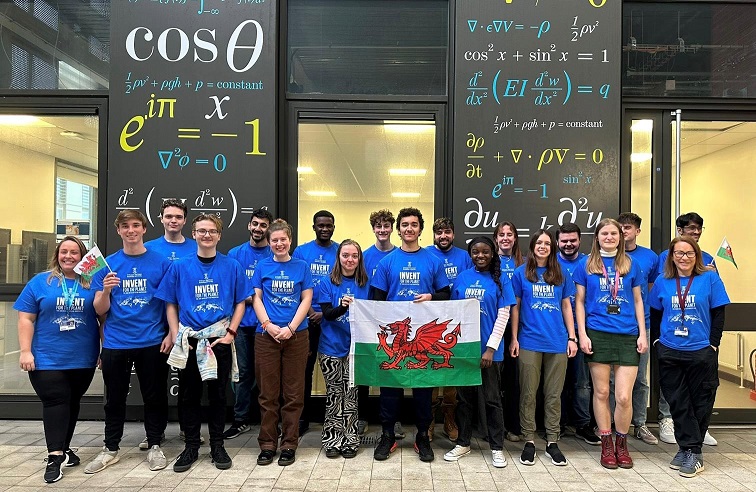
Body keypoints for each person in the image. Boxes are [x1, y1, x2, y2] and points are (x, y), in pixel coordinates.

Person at [157, 213, 249, 472]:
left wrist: (231, 332)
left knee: (219, 395)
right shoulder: (180, 266)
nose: (206, 235)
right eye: (201, 231)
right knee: (188, 396)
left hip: (218, 339)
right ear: (194, 234)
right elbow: (170, 302)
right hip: (190, 340)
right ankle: (191, 446)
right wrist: (175, 333)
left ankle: (217, 445)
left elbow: (241, 301)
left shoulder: (231, 266)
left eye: (211, 231)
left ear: (219, 235)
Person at [86, 210, 172, 474]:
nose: (131, 230)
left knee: (154, 396)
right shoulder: (106, 265)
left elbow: (170, 302)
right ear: (119, 231)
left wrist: (171, 333)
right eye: (126, 226)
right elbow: (99, 310)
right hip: (116, 341)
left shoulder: (161, 262)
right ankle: (111, 448)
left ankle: (155, 444)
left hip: (152, 340)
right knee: (114, 399)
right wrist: (107, 289)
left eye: (136, 225)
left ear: (144, 229)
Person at [14, 236, 100, 483]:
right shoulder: (41, 282)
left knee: (71, 403)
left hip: (82, 357)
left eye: (75, 252)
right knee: (56, 401)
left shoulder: (91, 283)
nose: (69, 256)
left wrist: (104, 350)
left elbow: (102, 319)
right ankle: (54, 457)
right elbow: (25, 319)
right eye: (64, 252)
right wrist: (25, 351)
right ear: (57, 254)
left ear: (82, 256)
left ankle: (64, 448)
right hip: (46, 357)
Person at [371, 207, 450, 463]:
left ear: (420, 229)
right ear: (399, 229)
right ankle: (387, 436)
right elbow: (376, 301)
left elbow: (446, 295)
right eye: (404, 225)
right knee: (390, 389)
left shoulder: (433, 261)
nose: (408, 229)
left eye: (413, 224)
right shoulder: (387, 262)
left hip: (421, 338)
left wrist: (431, 296)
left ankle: (422, 438)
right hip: (396, 338)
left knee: (422, 390)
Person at [648, 236, 729, 478]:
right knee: (677, 402)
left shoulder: (710, 278)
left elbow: (719, 314)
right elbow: (654, 314)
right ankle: (689, 449)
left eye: (689, 253)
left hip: (700, 351)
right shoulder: (663, 281)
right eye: (679, 253)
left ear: (697, 255)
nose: (684, 257)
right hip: (670, 350)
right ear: (672, 256)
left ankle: (691, 451)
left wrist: (713, 345)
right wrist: (656, 343)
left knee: (700, 402)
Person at [573, 218, 647, 470]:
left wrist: (642, 334)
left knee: (624, 396)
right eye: (604, 233)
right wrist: (582, 334)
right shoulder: (586, 265)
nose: (610, 237)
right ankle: (606, 444)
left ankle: (622, 444)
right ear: (597, 237)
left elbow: (638, 301)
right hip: (598, 333)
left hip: (627, 334)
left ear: (621, 236)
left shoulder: (630, 264)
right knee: (602, 392)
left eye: (614, 233)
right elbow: (579, 302)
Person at [443, 236, 514, 468]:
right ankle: (463, 443)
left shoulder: (502, 279)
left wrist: (491, 348)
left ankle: (496, 447)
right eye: (475, 252)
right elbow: (454, 312)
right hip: (465, 350)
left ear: (492, 253)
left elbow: (504, 315)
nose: (480, 256)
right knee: (464, 400)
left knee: (492, 400)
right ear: (470, 254)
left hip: (491, 352)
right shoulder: (462, 278)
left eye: (485, 252)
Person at [510, 230, 577, 466]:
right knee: (528, 393)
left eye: (547, 243)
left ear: (553, 247)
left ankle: (552, 441)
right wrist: (514, 338)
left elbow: (567, 307)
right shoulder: (521, 274)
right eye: (539, 242)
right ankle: (529, 440)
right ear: (532, 246)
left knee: (553, 395)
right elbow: (515, 308)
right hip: (529, 341)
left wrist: (572, 337)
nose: (543, 246)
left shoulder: (561, 273)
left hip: (557, 342)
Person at [253, 219, 313, 467]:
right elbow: (255, 298)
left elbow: (306, 298)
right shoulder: (261, 266)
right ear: (269, 241)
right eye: (274, 240)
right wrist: (268, 324)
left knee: (293, 393)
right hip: (266, 336)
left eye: (283, 239)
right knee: (267, 394)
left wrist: (290, 328)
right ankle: (267, 444)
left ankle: (289, 443)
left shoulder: (302, 266)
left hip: (296, 337)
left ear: (290, 240)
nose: (279, 243)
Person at [656, 212, 719, 446]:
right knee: (674, 389)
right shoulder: (665, 257)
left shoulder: (709, 259)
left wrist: (713, 341)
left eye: (699, 228)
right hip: (671, 339)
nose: (696, 232)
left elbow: (714, 301)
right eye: (691, 228)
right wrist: (656, 341)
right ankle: (668, 419)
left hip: (700, 339)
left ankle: (698, 430)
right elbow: (657, 299)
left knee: (701, 390)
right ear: (679, 230)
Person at [143, 198, 197, 449]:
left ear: (185, 220)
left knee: (189, 384)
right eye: (169, 216)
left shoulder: (197, 247)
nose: (173, 221)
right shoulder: (148, 249)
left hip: (188, 327)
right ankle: (156, 433)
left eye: (178, 217)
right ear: (161, 219)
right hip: (154, 326)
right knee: (155, 385)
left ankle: (189, 430)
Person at [317, 239, 370, 459]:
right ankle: (332, 438)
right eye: (345, 255)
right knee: (334, 393)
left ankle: (350, 439)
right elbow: (327, 314)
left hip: (356, 349)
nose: (350, 260)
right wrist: (343, 306)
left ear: (359, 259)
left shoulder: (367, 283)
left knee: (351, 395)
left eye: (354, 256)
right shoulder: (326, 282)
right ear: (338, 257)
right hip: (330, 347)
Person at [223, 209, 273, 439]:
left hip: (267, 324)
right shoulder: (234, 254)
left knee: (267, 374)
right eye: (255, 224)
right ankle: (240, 419)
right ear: (248, 225)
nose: (258, 229)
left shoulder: (274, 253)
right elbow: (230, 290)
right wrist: (254, 297)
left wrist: (251, 296)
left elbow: (273, 293)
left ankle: (269, 420)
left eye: (263, 225)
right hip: (242, 324)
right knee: (243, 374)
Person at [425, 217, 473, 441]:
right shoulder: (426, 255)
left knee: (452, 369)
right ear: (433, 235)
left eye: (447, 232)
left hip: (458, 320)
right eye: (439, 232)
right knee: (433, 369)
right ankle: (430, 421)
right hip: (431, 320)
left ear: (453, 234)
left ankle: (449, 418)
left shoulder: (465, 256)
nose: (443, 236)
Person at [292, 210, 338, 436]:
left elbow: (342, 283)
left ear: (333, 227)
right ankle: (302, 418)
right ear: (314, 226)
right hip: (306, 319)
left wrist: (327, 312)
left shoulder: (340, 251)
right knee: (304, 371)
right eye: (321, 225)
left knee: (335, 371)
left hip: (334, 319)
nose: (325, 228)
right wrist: (311, 312)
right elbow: (298, 285)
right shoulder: (301, 251)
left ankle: (335, 416)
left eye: (329, 225)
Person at [615, 213, 659, 445]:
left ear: (637, 231)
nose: (623, 232)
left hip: (641, 326)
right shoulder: (608, 256)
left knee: (640, 378)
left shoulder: (650, 257)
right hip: (611, 326)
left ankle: (639, 424)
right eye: (620, 227)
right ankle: (613, 424)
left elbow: (650, 290)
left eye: (628, 228)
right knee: (612, 379)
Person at [556, 223, 598, 445]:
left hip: (584, 328)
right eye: (564, 240)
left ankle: (583, 424)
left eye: (572, 240)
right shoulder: (551, 263)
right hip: (556, 329)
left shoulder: (590, 263)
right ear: (558, 242)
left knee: (582, 381)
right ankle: (559, 423)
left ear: (580, 241)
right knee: (558, 381)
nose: (568, 244)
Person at [360, 209, 396, 436]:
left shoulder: (399, 254)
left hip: (394, 323)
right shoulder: (364, 256)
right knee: (366, 368)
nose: (382, 230)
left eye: (386, 226)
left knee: (391, 371)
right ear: (373, 229)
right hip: (368, 320)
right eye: (378, 227)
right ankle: (362, 416)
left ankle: (393, 419)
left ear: (392, 228)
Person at [493, 221, 524, 442]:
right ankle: (492, 426)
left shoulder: (523, 264)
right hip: (494, 327)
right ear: (496, 238)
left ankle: (514, 425)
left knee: (514, 380)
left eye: (509, 234)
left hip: (519, 329)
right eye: (501, 234)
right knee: (493, 380)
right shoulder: (489, 261)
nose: (505, 238)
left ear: (515, 238)